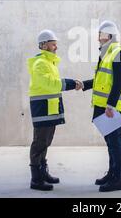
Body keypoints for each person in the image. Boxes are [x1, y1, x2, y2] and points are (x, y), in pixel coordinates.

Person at [27, 29, 83, 191]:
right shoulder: (40, 64)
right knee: (39, 143)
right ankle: (36, 179)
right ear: (43, 45)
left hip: (49, 108)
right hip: (42, 108)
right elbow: (51, 84)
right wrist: (72, 84)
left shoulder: (49, 63)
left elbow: (53, 84)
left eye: (56, 44)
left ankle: (43, 173)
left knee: (46, 141)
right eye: (53, 44)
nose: (56, 47)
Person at [81, 20, 121, 192]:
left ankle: (118, 179)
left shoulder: (118, 52)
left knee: (115, 142)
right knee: (110, 142)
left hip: (111, 107)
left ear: (110, 36)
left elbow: (119, 81)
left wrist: (111, 105)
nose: (99, 39)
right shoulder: (106, 54)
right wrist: (84, 84)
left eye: (102, 36)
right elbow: (102, 80)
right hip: (103, 105)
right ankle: (112, 174)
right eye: (99, 36)